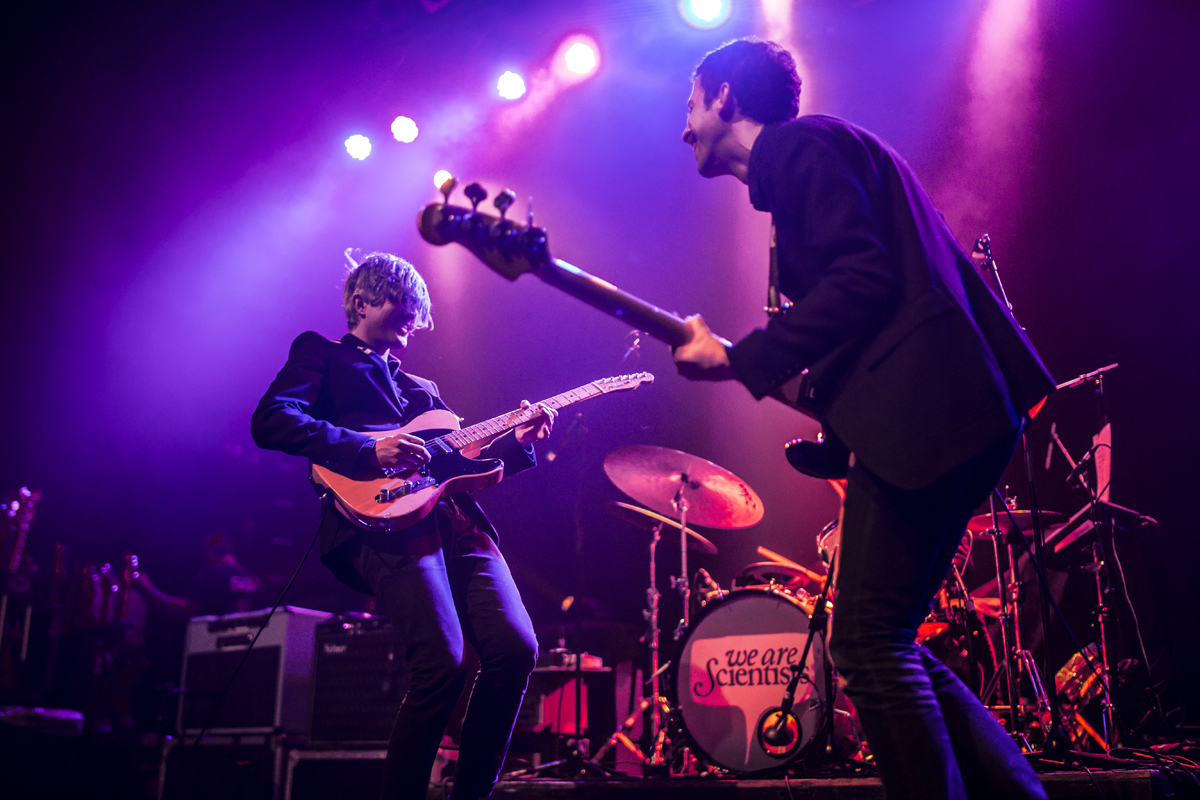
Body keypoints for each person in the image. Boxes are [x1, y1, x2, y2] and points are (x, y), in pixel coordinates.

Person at [672, 38, 1055, 800]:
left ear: (723, 97)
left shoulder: (804, 148)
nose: (684, 129)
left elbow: (864, 276)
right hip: (952, 410)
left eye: (690, 105)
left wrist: (742, 358)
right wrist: (819, 415)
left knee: (866, 641)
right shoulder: (819, 161)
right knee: (886, 635)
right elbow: (871, 305)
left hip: (931, 412)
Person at [251, 253, 555, 800]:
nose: (413, 316)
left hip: (456, 521)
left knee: (515, 648)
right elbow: (272, 419)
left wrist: (517, 441)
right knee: (442, 662)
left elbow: (456, 459)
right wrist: (369, 448)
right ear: (362, 302)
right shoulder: (320, 354)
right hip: (383, 521)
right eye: (402, 302)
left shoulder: (423, 387)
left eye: (418, 308)